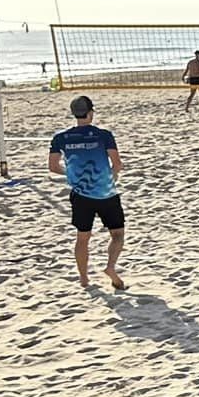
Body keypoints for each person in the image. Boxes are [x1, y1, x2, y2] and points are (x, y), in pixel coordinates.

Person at [48, 94, 127, 291]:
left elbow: (53, 166)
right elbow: (117, 164)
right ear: (91, 113)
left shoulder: (61, 138)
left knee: (82, 237)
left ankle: (84, 279)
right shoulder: (103, 135)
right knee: (117, 234)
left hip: (81, 193)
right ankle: (110, 267)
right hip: (106, 192)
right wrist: (113, 174)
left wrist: (73, 174)